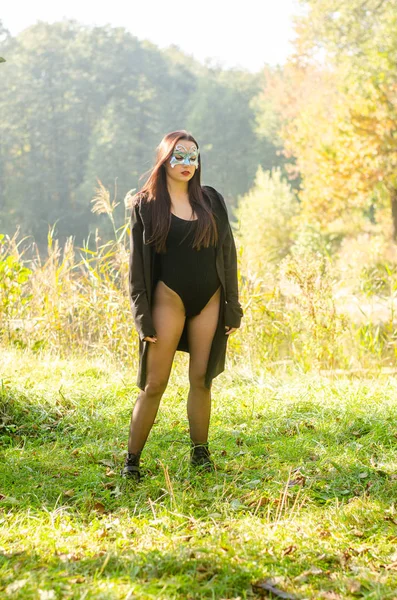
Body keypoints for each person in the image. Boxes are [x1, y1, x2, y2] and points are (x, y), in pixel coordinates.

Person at [122, 130, 243, 480]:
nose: (187, 163)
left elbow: (228, 254)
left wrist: (233, 305)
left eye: (193, 156)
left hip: (210, 298)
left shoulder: (211, 200)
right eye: (179, 155)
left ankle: (200, 455)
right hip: (167, 298)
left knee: (202, 379)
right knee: (154, 383)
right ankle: (132, 461)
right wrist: (142, 317)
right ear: (165, 159)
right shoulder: (146, 204)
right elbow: (137, 269)